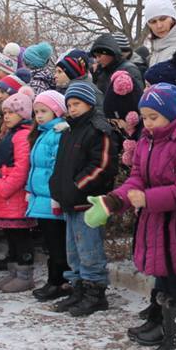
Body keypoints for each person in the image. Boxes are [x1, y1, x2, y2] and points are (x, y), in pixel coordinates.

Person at [85, 83, 176, 350]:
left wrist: (149, 199)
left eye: (154, 117)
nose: (148, 123)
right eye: (145, 117)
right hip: (155, 225)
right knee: (162, 282)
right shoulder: (147, 141)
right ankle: (166, 339)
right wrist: (116, 200)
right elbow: (137, 178)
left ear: (169, 113)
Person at [48, 81, 118, 317]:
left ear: (89, 103)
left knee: (89, 249)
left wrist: (76, 186)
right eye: (69, 104)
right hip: (70, 200)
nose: (72, 108)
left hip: (88, 202)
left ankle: (95, 291)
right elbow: (62, 164)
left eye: (76, 103)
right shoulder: (69, 130)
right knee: (74, 250)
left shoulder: (99, 130)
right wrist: (58, 187)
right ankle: (78, 288)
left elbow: (102, 166)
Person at [25, 90, 72, 302]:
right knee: (50, 242)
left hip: (51, 198)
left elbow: (56, 166)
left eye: (44, 111)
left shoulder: (58, 133)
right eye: (36, 112)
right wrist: (30, 190)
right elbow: (34, 167)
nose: (39, 116)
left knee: (57, 243)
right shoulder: (43, 133)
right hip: (40, 197)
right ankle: (54, 280)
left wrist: (56, 194)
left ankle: (58, 281)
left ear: (56, 111)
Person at [0, 93, 37, 293]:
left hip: (13, 194)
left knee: (20, 234)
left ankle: (25, 274)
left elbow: (22, 167)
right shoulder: (9, 134)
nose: (6, 116)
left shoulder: (23, 136)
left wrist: (5, 187)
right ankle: (14, 271)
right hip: (5, 192)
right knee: (10, 234)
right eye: (5, 112)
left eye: (11, 112)